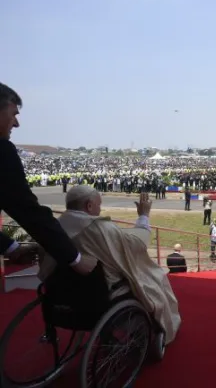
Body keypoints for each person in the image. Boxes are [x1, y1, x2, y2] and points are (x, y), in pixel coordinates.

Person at [38, 186, 181, 344]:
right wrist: (143, 216)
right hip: (98, 292)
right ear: (89, 206)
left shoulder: (55, 227)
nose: (100, 210)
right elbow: (136, 244)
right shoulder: (99, 228)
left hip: (59, 293)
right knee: (155, 276)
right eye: (98, 205)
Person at [0, 82, 95, 275]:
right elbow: (28, 211)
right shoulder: (2, 151)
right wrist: (75, 259)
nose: (16, 123)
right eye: (13, 114)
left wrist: (12, 248)